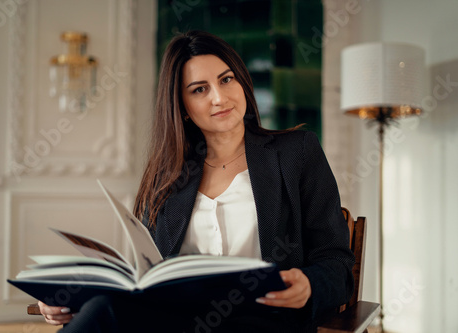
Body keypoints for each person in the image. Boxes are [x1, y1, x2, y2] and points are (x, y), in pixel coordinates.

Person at [39, 30, 355, 332]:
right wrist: (73, 299)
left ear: (242, 83)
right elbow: (144, 274)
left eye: (226, 79)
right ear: (184, 108)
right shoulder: (167, 175)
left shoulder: (296, 152)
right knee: (101, 309)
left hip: (261, 320)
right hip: (176, 320)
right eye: (199, 89)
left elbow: (336, 262)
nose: (219, 98)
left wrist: (309, 285)